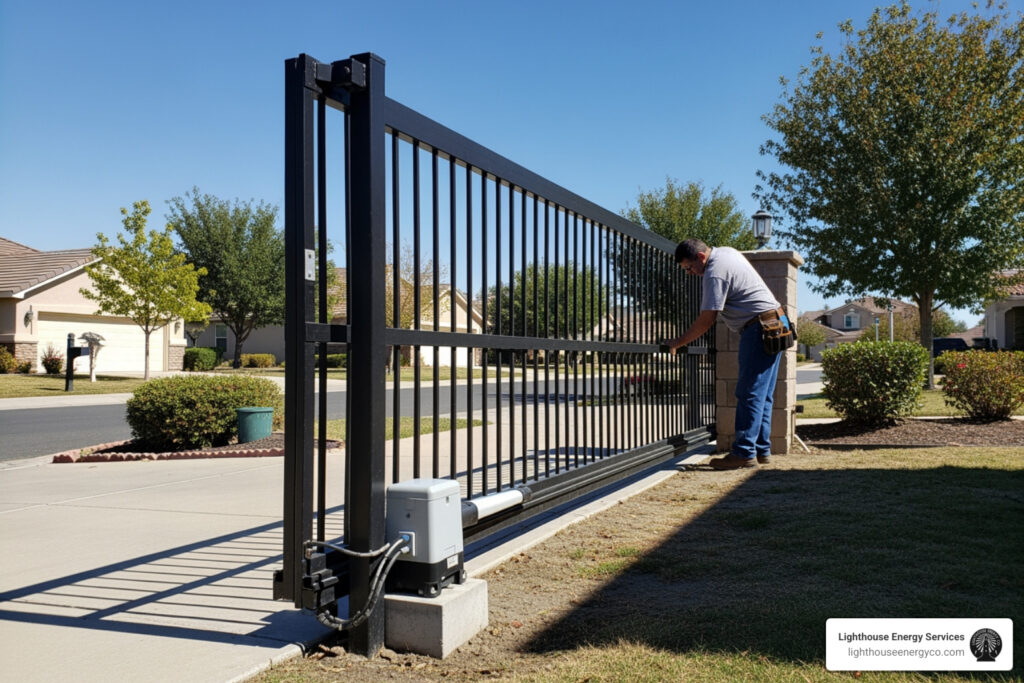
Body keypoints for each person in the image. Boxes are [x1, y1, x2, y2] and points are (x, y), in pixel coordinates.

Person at [666, 238, 790, 469]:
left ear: (701, 257)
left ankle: (743, 453)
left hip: (759, 327)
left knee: (749, 392)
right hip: (777, 322)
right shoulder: (727, 252)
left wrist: (678, 342)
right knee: (763, 394)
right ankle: (761, 450)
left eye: (689, 267)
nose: (690, 273)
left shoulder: (715, 272)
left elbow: (707, 319)